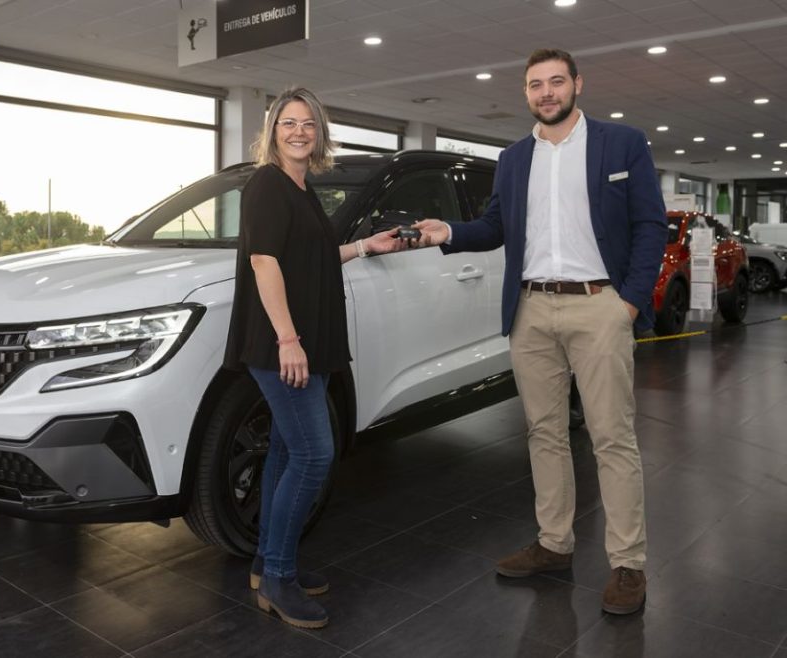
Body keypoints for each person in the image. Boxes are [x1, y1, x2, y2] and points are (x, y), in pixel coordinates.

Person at [413, 48, 667, 615]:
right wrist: (447, 230)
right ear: (525, 93)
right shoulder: (512, 157)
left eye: (556, 81)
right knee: (544, 434)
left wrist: (628, 302)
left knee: (611, 437)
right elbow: (496, 226)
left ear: (578, 84)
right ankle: (554, 543)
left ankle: (628, 563)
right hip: (531, 310)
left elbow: (649, 223)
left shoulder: (621, 144)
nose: (546, 92)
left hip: (599, 305)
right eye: (535, 85)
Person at [224, 87, 404, 629]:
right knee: (313, 456)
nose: (299, 131)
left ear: (319, 133)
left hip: (311, 342)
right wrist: (287, 339)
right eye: (288, 123)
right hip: (285, 345)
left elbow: (316, 256)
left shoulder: (303, 189)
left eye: (308, 123)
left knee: (285, 452)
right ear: (272, 132)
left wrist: (367, 246)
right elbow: (265, 264)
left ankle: (266, 563)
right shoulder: (267, 186)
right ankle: (277, 577)